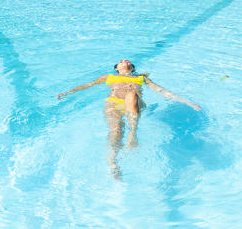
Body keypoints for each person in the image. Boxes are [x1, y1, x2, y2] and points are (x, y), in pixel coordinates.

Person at [57, 59, 200, 178]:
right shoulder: (108, 77)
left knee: (131, 94)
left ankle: (133, 135)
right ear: (117, 68)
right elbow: (88, 85)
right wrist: (68, 92)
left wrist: (186, 101)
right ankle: (113, 163)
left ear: (131, 68)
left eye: (127, 61)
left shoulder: (141, 78)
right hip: (114, 104)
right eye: (120, 61)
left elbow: (162, 91)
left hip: (135, 103)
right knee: (116, 130)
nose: (124, 61)